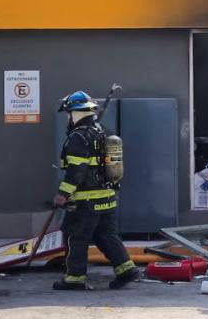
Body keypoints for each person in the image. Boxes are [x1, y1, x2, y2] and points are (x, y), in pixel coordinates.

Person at [53, 90, 138, 291]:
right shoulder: (103, 131)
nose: (67, 118)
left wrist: (63, 194)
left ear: (75, 113)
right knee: (107, 236)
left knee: (75, 237)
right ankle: (126, 270)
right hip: (107, 198)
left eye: (68, 114)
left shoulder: (78, 137)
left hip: (86, 201)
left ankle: (74, 278)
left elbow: (76, 171)